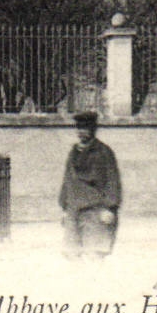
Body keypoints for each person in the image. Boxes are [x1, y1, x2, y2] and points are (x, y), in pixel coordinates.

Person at [59, 110, 121, 258]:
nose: (82, 132)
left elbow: (112, 181)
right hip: (74, 211)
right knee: (71, 254)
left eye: (86, 128)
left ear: (93, 130)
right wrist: (65, 207)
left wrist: (109, 208)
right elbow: (68, 180)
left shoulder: (103, 152)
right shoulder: (73, 153)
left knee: (94, 254)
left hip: (95, 212)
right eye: (79, 128)